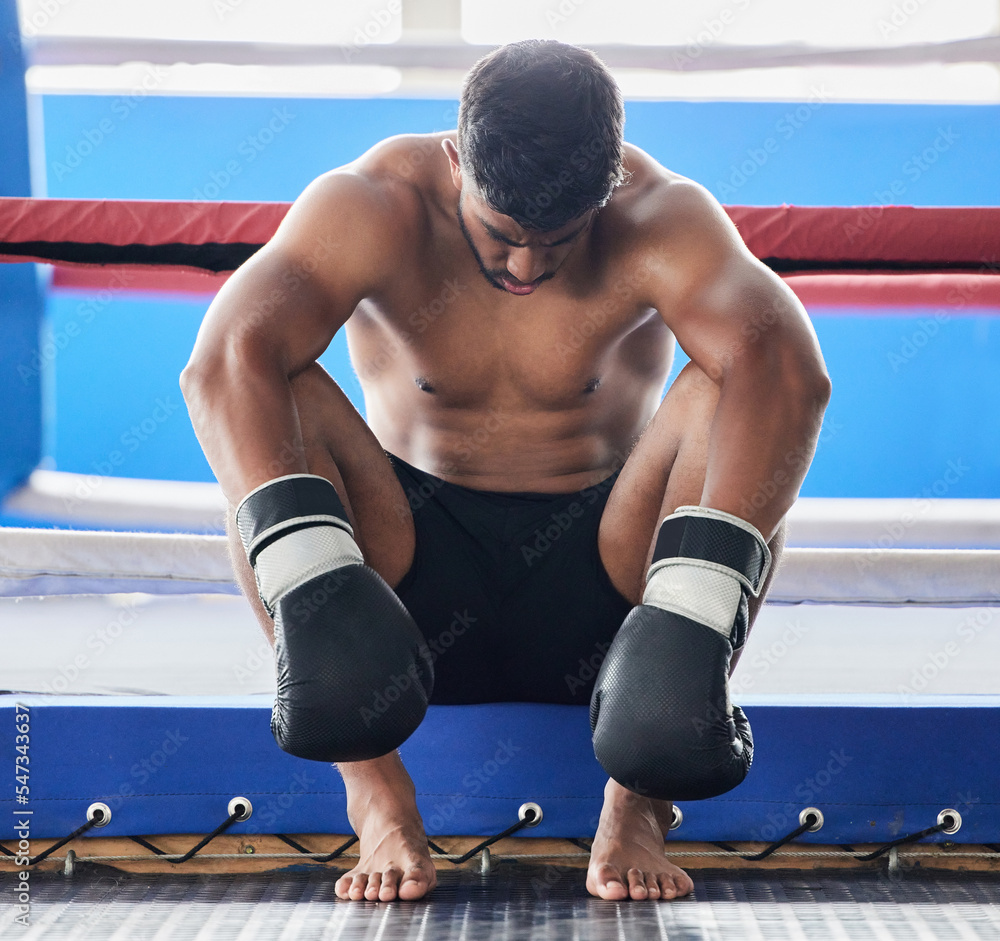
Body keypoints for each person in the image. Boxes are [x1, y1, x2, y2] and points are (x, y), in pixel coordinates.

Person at [181, 39, 831, 904]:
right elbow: (223, 360)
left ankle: (638, 800)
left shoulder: (661, 215)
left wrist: (700, 607)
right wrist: (301, 574)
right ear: (455, 159)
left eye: (556, 243)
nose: (525, 268)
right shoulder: (374, 204)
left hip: (610, 579)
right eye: (501, 236)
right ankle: (375, 792)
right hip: (405, 578)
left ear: (604, 192)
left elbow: (791, 373)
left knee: (744, 380)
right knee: (267, 390)